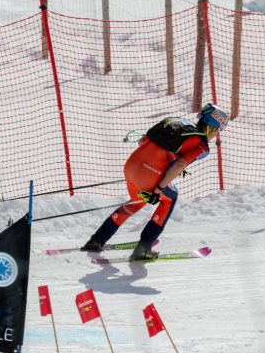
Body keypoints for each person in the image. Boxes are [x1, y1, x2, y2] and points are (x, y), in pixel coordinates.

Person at [81, 103, 229, 261]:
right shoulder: (202, 146)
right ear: (213, 128)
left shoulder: (176, 121)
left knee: (136, 202)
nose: (216, 135)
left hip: (131, 166)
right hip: (149, 174)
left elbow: (143, 141)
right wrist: (158, 190)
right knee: (169, 199)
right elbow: (179, 165)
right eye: (218, 130)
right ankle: (143, 248)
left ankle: (97, 240)